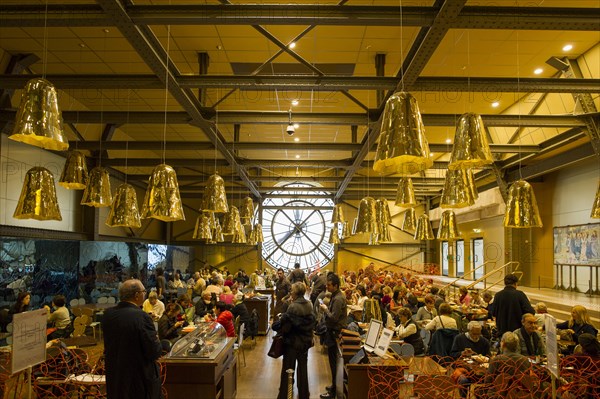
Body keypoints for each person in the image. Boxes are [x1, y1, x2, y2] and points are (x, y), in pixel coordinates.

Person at [103, 279, 162, 399]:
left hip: (115, 375)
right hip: (139, 379)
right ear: (136, 295)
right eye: (143, 291)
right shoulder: (142, 316)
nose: (145, 294)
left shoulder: (108, 315)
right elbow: (154, 351)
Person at [273, 282, 316, 399]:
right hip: (305, 342)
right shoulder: (309, 304)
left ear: (296, 293)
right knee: (303, 370)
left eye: (292, 290)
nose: (290, 292)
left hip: (292, 343)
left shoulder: (292, 306)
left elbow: (287, 327)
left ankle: (285, 394)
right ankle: (304, 394)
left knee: (288, 369)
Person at [319, 273, 347, 399]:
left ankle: (333, 392)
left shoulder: (338, 298)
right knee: (332, 362)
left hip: (335, 332)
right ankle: (334, 386)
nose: (327, 287)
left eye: (329, 285)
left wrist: (325, 309)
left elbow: (334, 318)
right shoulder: (336, 296)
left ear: (335, 286)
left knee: (334, 363)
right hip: (333, 332)